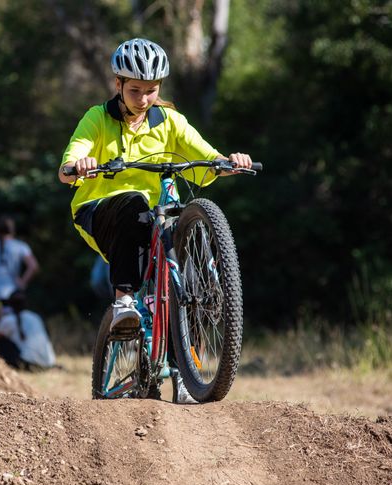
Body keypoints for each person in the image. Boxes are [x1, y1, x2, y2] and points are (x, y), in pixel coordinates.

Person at [58, 37, 253, 335]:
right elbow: (69, 164)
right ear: (118, 84)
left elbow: (207, 158)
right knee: (134, 202)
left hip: (155, 217)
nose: (143, 99)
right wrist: (79, 165)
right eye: (135, 90)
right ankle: (124, 302)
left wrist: (230, 162)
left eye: (151, 90)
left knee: (181, 232)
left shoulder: (171, 122)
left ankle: (187, 348)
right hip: (100, 212)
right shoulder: (97, 118)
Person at [0, 290, 56, 370]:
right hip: (47, 363)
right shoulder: (35, 317)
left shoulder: (9, 320)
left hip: (29, 364)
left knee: (2, 342)